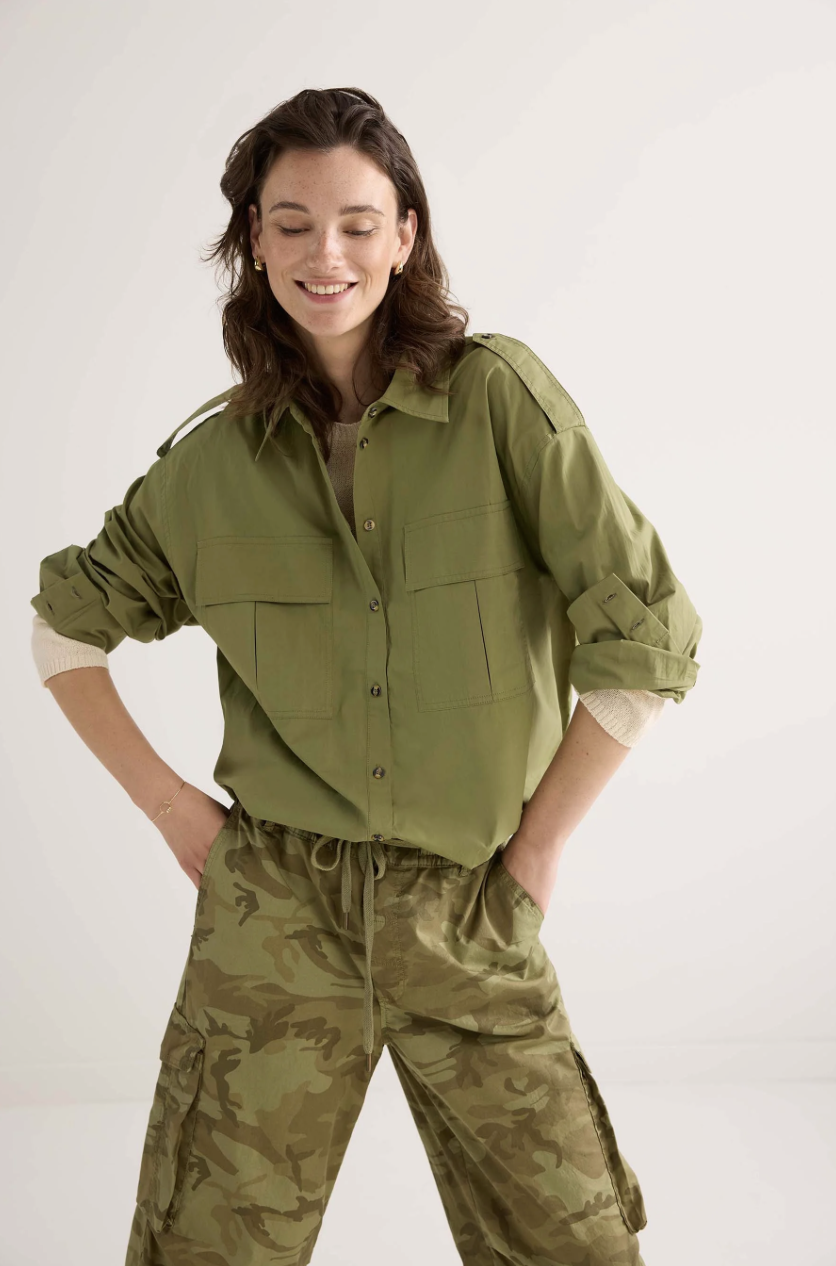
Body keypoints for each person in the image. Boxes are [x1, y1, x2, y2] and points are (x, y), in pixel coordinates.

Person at [30, 86, 702, 1266]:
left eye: (355, 222)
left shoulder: (497, 402)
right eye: (290, 223)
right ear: (253, 241)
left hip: (469, 907)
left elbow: (648, 631)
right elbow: (62, 633)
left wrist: (538, 849)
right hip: (272, 920)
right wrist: (173, 811)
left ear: (404, 236)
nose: (323, 254)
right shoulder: (210, 465)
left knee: (576, 1247)